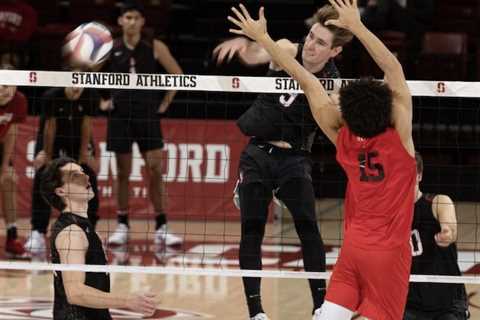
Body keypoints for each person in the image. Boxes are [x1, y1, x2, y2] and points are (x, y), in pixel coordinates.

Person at [227, 1, 415, 319]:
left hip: (352, 255)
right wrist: (356, 25)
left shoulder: (343, 143)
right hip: (388, 258)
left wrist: (263, 37)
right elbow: (393, 70)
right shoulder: (400, 140)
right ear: (388, 110)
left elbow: (308, 83)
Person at [214, 4, 353, 320]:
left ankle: (320, 307)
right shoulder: (289, 49)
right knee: (252, 230)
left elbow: (339, 125)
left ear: (335, 51)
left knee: (309, 229)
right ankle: (256, 313)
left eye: (320, 42)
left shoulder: (334, 85)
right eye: (311, 36)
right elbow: (256, 56)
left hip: (294, 158)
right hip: (258, 152)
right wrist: (249, 44)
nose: (311, 45)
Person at [100, 0, 183, 248]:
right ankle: (122, 225)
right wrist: (103, 100)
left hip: (147, 116)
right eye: (128, 18)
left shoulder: (154, 46)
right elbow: (88, 73)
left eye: (136, 18)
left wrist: (165, 103)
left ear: (143, 21)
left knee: (155, 170)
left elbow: (177, 74)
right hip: (120, 117)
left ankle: (162, 226)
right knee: (122, 173)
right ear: (120, 21)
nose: (132, 22)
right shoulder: (110, 48)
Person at [41, 157, 156, 319]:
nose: (86, 177)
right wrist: (128, 300)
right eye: (75, 176)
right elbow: (75, 292)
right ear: (61, 191)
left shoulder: (82, 227)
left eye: (82, 172)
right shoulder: (72, 233)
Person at [24, 79, 100, 261]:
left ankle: (87, 229)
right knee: (43, 175)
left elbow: (87, 126)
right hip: (53, 139)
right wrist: (49, 161)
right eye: (74, 83)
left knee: (89, 177)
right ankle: (37, 231)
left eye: (81, 84)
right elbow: (50, 128)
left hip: (77, 139)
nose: (77, 88)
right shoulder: (52, 96)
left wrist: (83, 160)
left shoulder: (90, 96)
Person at [404, 152, 469, 320]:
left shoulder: (438, 202)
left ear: (419, 175)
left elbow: (450, 227)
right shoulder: (390, 213)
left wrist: (447, 233)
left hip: (447, 302)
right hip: (410, 302)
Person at [0, 62, 27, 257]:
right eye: (1, 85)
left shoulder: (19, 101)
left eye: (8, 84)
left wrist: (4, 167)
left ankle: (12, 236)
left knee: (9, 179)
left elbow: (12, 132)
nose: (4, 89)